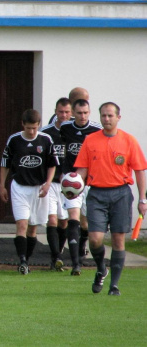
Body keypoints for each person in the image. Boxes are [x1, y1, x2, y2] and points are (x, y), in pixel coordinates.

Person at [73, 102, 147, 295]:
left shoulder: (129, 141)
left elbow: (139, 172)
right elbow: (82, 169)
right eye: (103, 116)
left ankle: (114, 285)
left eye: (110, 116)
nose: (106, 119)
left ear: (118, 118)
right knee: (95, 239)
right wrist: (73, 186)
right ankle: (101, 269)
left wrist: (142, 199)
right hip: (96, 193)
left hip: (121, 193)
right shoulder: (90, 140)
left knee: (117, 240)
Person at [0, 109, 58, 274]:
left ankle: (27, 257)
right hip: (19, 187)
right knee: (22, 224)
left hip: (39, 188)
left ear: (39, 125)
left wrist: (48, 184)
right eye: (28, 128)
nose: (32, 131)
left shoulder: (46, 140)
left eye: (34, 128)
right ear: (23, 125)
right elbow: (4, 163)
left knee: (33, 228)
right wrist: (1, 185)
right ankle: (22, 261)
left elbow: (52, 164)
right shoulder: (14, 140)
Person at [59, 99, 102, 275]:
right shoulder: (66, 128)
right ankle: (76, 264)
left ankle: (82, 243)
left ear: (89, 112)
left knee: (85, 223)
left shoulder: (97, 130)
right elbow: (61, 153)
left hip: (90, 182)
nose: (82, 116)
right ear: (73, 113)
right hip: (72, 181)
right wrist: (63, 172)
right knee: (73, 218)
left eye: (85, 113)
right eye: (79, 113)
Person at [40, 98, 73, 270]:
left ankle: (58, 253)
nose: (64, 115)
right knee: (51, 219)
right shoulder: (46, 132)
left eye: (67, 112)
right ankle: (56, 257)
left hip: (69, 184)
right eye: (61, 112)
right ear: (56, 111)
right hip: (51, 182)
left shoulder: (75, 132)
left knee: (64, 222)